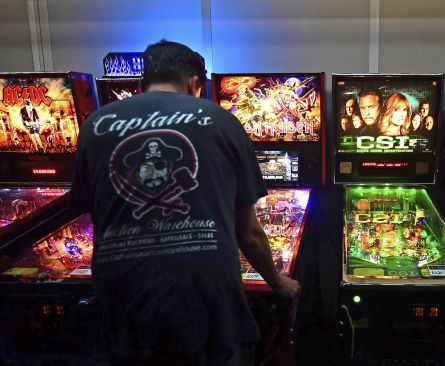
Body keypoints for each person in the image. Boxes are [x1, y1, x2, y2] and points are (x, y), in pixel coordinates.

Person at [69, 40, 299, 366]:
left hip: (125, 298)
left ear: (140, 84)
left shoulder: (95, 126)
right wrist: (277, 283)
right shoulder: (222, 121)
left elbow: (87, 212)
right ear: (195, 83)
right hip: (206, 300)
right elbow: (246, 231)